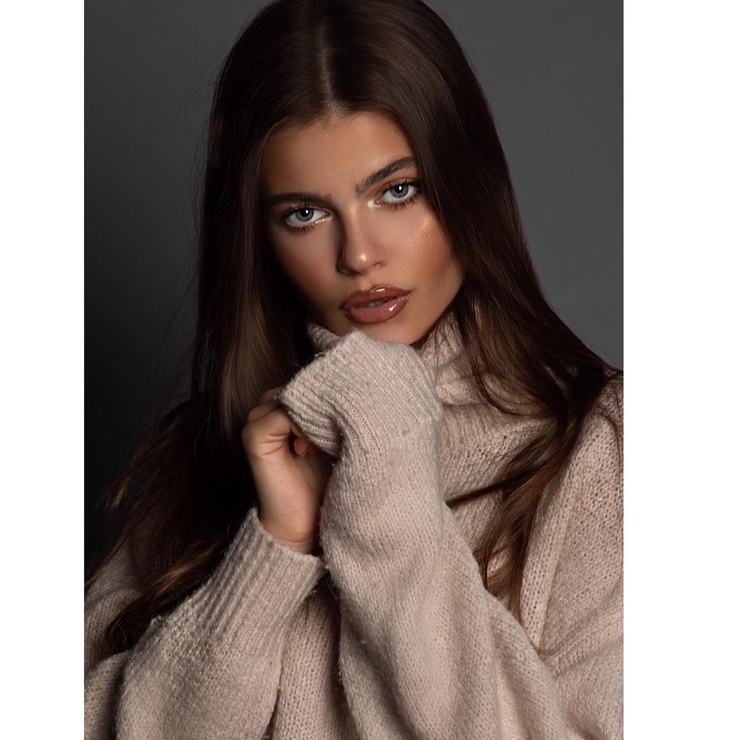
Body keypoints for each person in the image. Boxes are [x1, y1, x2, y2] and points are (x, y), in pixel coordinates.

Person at [84, 0, 623, 737]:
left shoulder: (601, 450)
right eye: (304, 214)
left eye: (397, 191)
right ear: (260, 236)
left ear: (466, 183)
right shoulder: (203, 456)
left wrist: (389, 469)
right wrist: (274, 547)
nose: (360, 255)